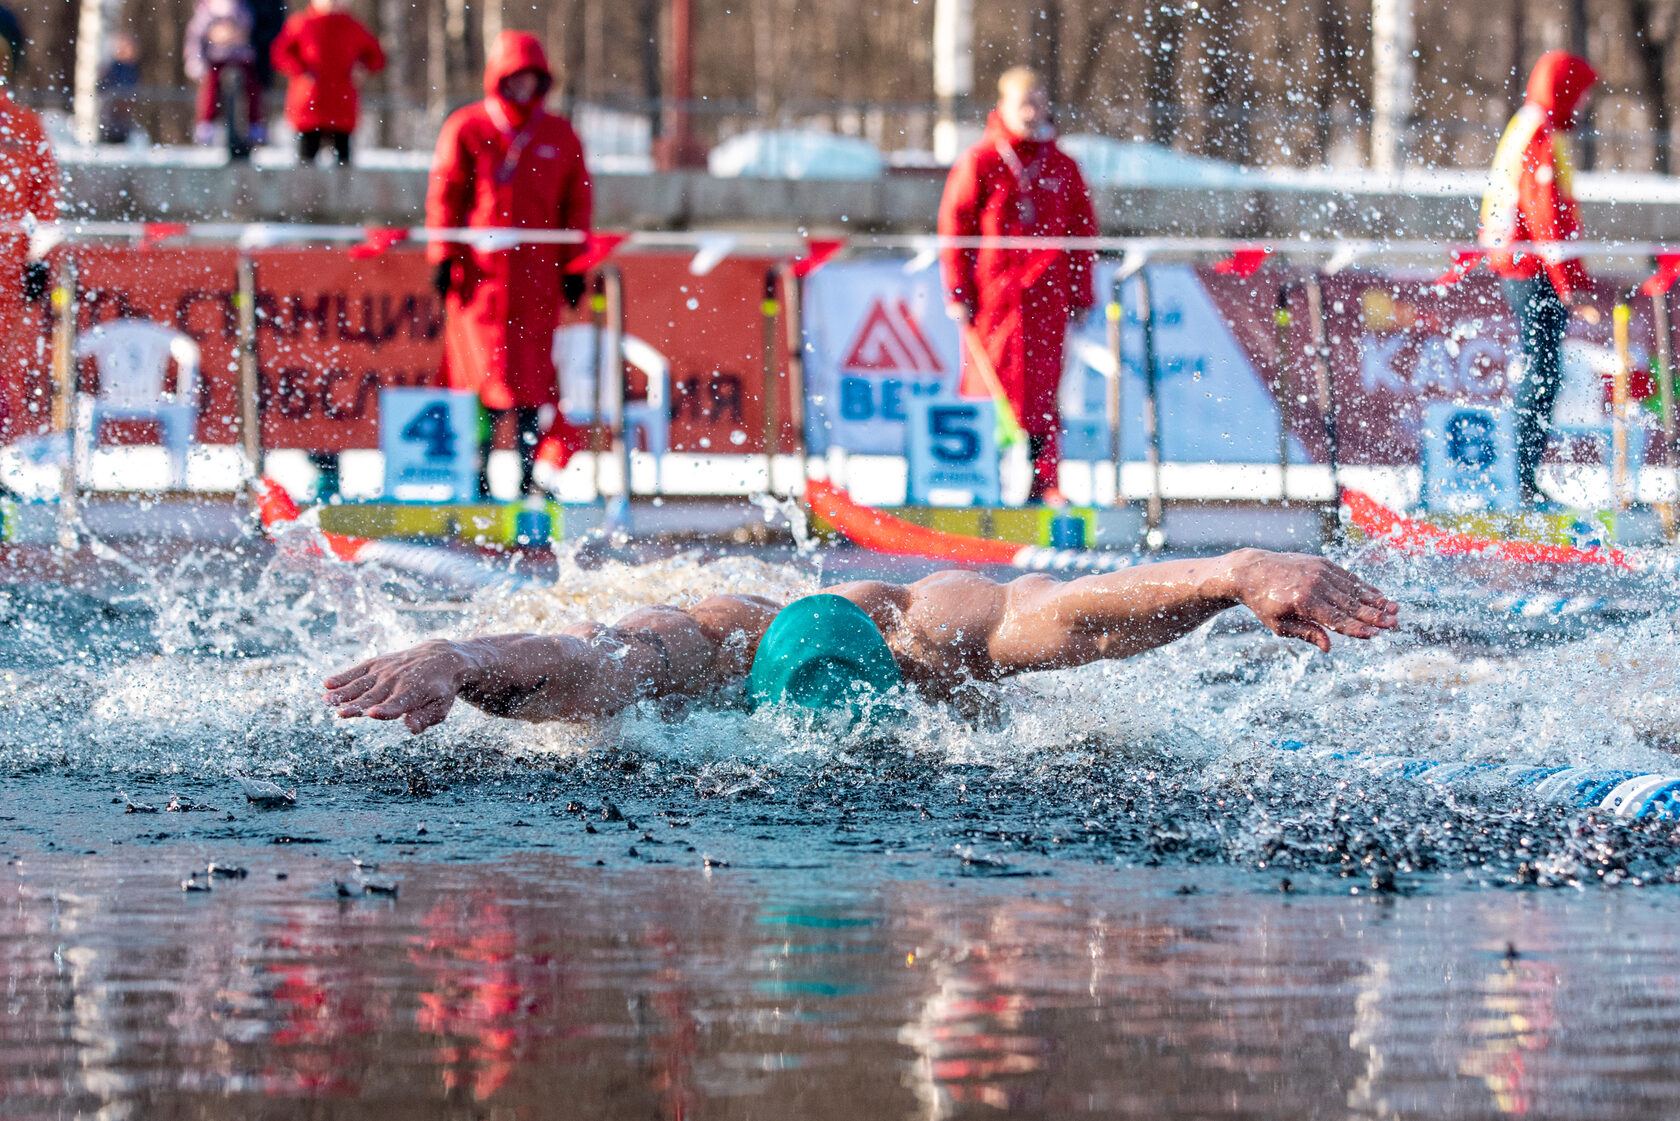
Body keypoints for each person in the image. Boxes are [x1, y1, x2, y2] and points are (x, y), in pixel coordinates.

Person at [324, 549, 1399, 733]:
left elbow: (1068, 613)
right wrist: (458, 657)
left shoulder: (932, 636)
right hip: (708, 626)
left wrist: (1231, 574)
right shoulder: (708, 645)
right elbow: (591, 658)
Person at [426, 30, 592, 501]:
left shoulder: (559, 135)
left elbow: (577, 203)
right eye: (514, 79)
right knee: (479, 380)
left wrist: (575, 266)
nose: (522, 88)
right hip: (479, 283)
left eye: (531, 79)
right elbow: (445, 194)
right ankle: (477, 473)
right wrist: (442, 256)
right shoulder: (468, 127)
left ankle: (525, 475)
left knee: (530, 384)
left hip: (535, 282)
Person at [939, 67, 1097, 506]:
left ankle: (1044, 481)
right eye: (1023, 104)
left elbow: (1084, 234)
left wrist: (1082, 293)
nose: (1031, 113)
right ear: (1003, 107)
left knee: (1045, 396)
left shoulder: (1062, 166)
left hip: (1048, 299)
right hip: (995, 301)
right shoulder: (982, 161)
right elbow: (956, 228)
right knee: (991, 390)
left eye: (1038, 104)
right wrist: (957, 290)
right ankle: (982, 482)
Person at [1480, 50, 1599, 509]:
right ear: (1565, 89)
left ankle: (1523, 481)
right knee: (1541, 370)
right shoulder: (1541, 133)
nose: (1586, 104)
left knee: (1541, 367)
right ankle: (1523, 484)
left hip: (1526, 263)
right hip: (1532, 268)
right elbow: (1547, 214)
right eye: (1582, 93)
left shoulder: (1530, 125)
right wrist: (1569, 283)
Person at [0, 5, 58, 445]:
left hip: (8, 274)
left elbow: (46, 207)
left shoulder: (27, 127)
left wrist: (38, 261)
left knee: (5, 372)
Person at [271, 0, 385, 167]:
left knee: (343, 166)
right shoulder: (303, 23)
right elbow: (280, 53)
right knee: (306, 163)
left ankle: (342, 192)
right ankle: (307, 193)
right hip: (310, 104)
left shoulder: (352, 26)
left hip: (341, 104)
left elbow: (377, 56)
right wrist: (300, 69)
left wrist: (362, 67)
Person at [184, 0, 266, 148]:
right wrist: (196, 61)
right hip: (217, 57)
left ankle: (253, 125)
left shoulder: (243, 8)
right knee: (210, 90)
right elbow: (196, 37)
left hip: (241, 57)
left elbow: (249, 27)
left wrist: (237, 33)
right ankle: (206, 126)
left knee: (251, 88)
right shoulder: (206, 11)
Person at [96, 31, 141, 145]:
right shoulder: (114, 67)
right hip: (111, 111)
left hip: (123, 112)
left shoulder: (132, 68)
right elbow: (102, 86)